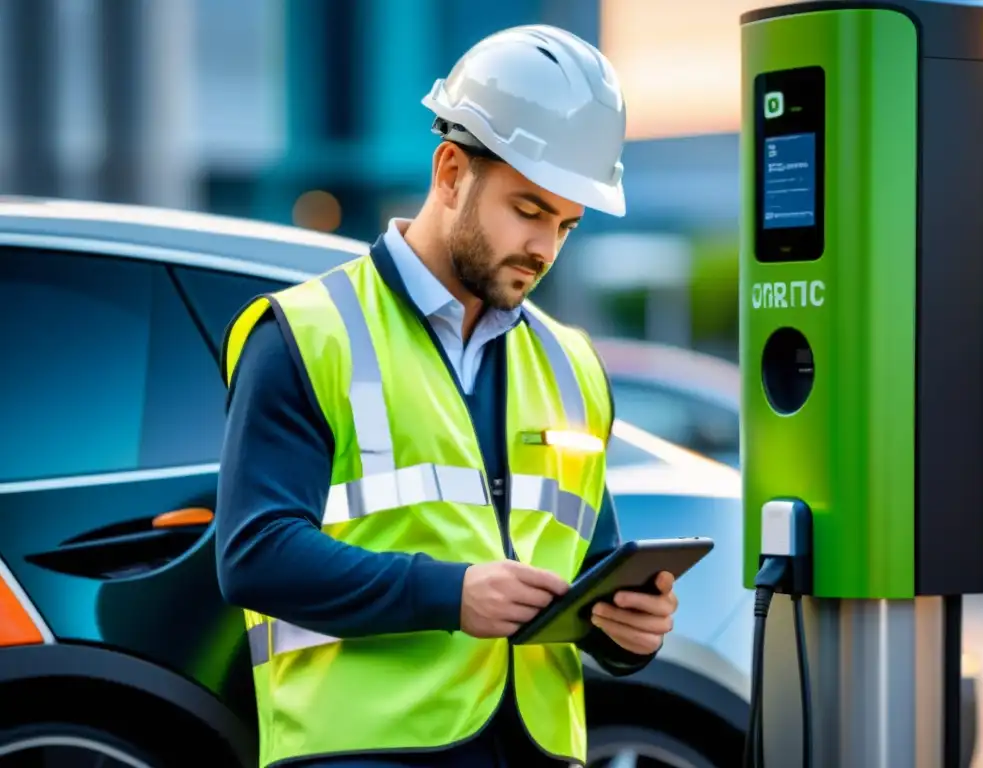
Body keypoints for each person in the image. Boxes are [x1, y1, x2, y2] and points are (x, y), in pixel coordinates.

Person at [215, 24, 679, 768]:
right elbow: (255, 555)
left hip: (535, 749)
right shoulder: (305, 333)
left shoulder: (572, 366)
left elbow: (585, 568)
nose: (545, 248)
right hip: (362, 749)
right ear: (452, 171)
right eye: (528, 210)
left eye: (566, 224)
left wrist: (627, 633)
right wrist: (449, 593)